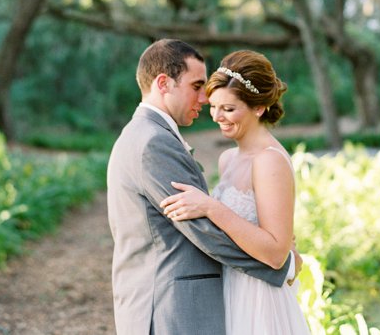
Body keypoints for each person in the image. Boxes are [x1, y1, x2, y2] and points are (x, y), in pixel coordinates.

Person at [106, 39, 294, 335]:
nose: (206, 102)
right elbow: (203, 229)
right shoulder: (154, 142)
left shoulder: (144, 134)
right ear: (164, 83)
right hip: (169, 306)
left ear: (258, 108)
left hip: (233, 299)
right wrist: (284, 263)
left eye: (227, 106)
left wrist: (277, 251)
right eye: (197, 86)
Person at [160, 49, 311, 335]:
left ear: (258, 108)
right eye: (214, 107)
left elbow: (277, 254)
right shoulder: (227, 159)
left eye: (229, 109)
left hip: (258, 298)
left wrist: (210, 207)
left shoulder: (269, 161)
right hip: (227, 286)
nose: (217, 117)